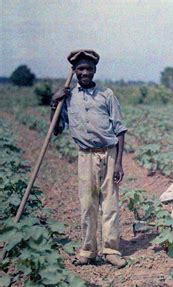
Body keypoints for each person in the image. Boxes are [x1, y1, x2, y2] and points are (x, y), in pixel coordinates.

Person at [51, 49, 128, 268]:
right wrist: (53, 103)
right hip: (85, 156)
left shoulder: (107, 95)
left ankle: (111, 250)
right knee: (87, 205)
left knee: (110, 204)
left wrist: (119, 163)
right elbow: (56, 129)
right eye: (81, 69)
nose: (85, 72)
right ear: (74, 71)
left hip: (109, 154)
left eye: (89, 69)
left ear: (94, 70)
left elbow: (120, 129)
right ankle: (88, 250)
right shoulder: (68, 98)